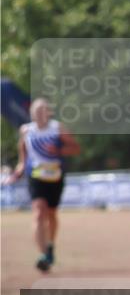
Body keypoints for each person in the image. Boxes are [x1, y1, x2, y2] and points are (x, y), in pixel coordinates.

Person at [5, 98, 79, 272]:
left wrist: (60, 151)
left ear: (48, 113)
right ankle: (44, 254)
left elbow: (75, 148)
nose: (39, 115)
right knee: (38, 213)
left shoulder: (57, 129)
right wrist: (20, 169)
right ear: (31, 114)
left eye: (42, 111)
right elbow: (23, 152)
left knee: (51, 214)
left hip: (55, 177)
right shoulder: (26, 130)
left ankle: (51, 246)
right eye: (35, 112)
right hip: (36, 176)